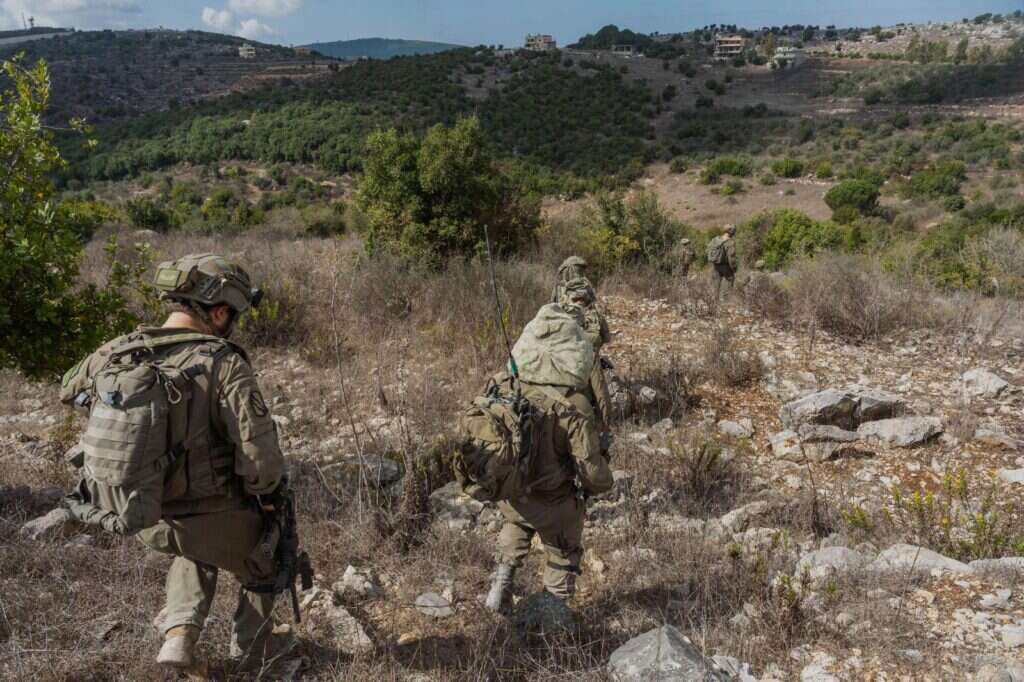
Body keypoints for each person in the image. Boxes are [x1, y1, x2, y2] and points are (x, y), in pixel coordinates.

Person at [60, 254, 287, 671]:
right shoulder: (223, 362)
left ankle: (179, 634)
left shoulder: (119, 349)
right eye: (233, 315)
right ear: (219, 312)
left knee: (196, 545)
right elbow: (261, 463)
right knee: (267, 557)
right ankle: (252, 658)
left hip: (141, 513)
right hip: (207, 513)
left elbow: (68, 389)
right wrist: (267, 496)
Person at [483, 303, 614, 611]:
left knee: (517, 521)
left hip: (513, 493)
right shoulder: (575, 405)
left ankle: (500, 585)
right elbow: (592, 474)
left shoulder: (505, 387)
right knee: (562, 549)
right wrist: (603, 481)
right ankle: (553, 616)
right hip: (554, 500)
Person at [707, 224, 738, 298]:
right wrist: (734, 268)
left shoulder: (716, 239)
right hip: (725, 266)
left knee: (716, 283)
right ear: (730, 231)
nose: (734, 232)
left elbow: (708, 250)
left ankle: (714, 300)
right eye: (734, 231)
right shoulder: (730, 242)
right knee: (730, 279)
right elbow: (731, 258)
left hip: (715, 265)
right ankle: (726, 299)